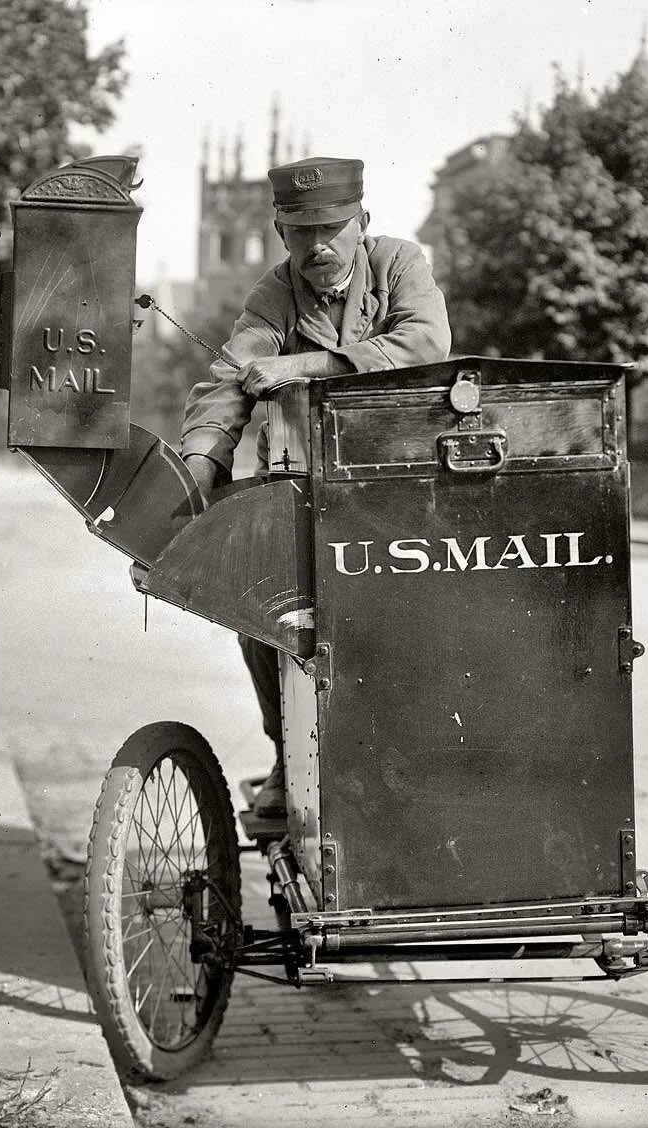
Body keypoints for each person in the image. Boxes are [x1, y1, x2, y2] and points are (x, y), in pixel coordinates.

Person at [179, 156, 452, 818]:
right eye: (301, 233)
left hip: (403, 492)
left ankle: (426, 761)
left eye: (332, 228)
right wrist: (195, 473)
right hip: (307, 491)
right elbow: (227, 383)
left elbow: (424, 345)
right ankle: (287, 756)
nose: (318, 246)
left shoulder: (400, 264)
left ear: (363, 223)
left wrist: (306, 366)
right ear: (280, 234)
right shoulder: (274, 294)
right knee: (261, 618)